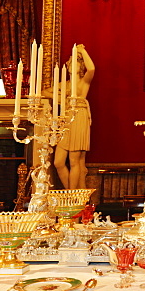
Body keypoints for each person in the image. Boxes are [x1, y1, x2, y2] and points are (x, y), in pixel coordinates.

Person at [52, 44, 94, 189]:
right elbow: (45, 92)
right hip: (65, 119)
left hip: (79, 116)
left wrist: (82, 50)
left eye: (75, 62)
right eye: (70, 62)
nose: (71, 64)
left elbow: (92, 69)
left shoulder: (84, 82)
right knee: (58, 162)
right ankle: (71, 193)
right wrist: (62, 97)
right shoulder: (64, 85)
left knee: (75, 160)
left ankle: (72, 197)